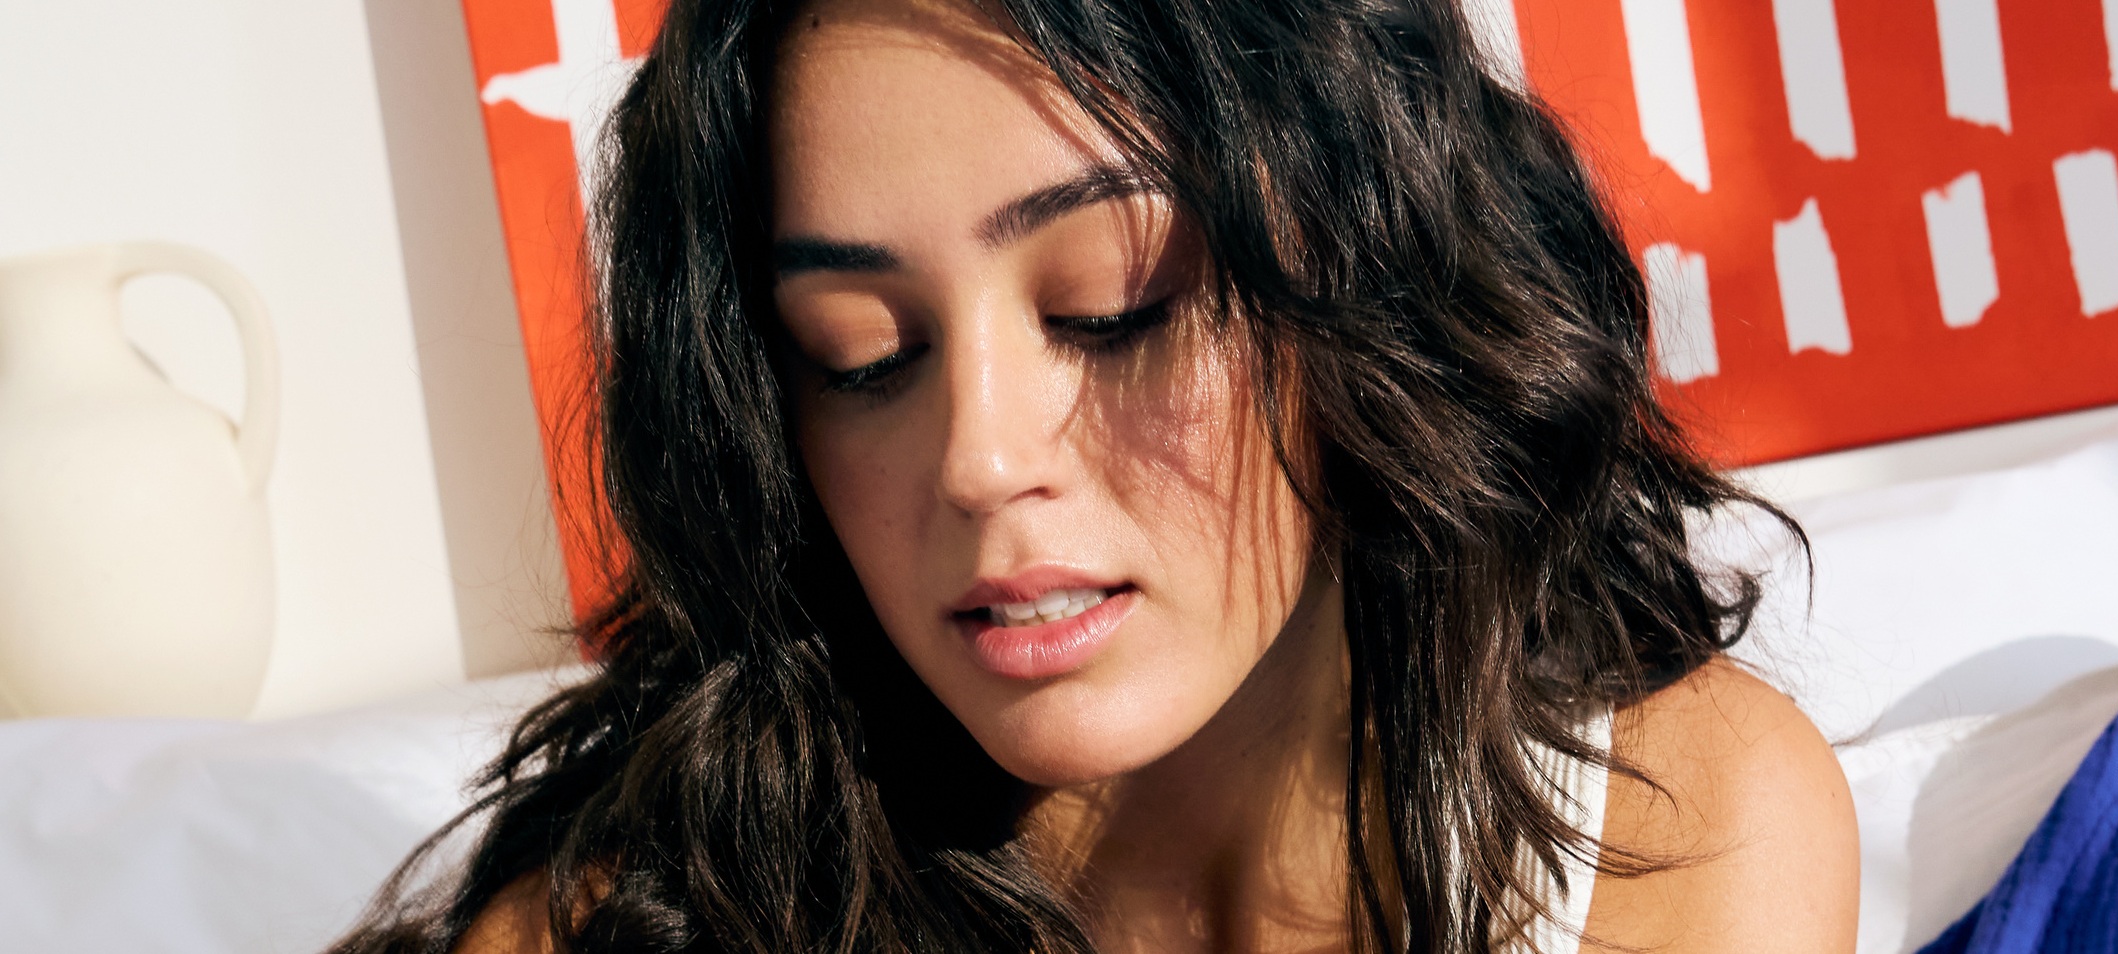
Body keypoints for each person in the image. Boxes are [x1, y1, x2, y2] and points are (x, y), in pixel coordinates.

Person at [337, 0, 1857, 950]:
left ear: (1368, 277)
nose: (981, 459)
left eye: (1113, 307)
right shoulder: (640, 918)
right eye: (860, 354)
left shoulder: (1677, 830)